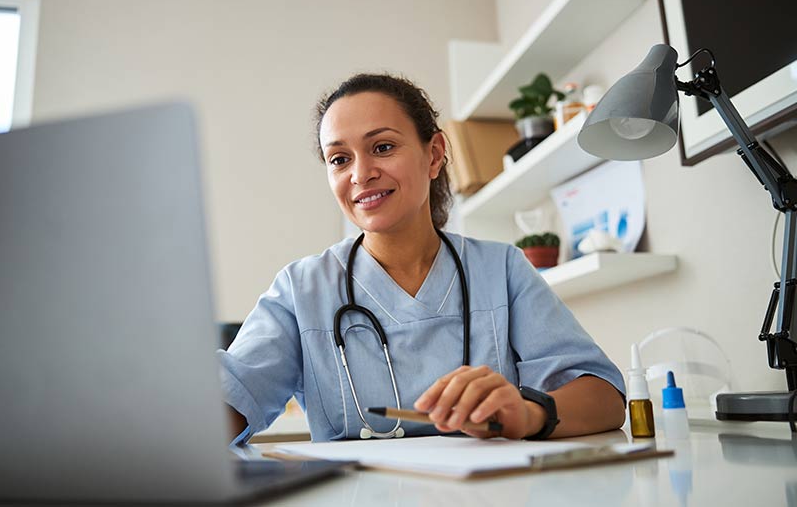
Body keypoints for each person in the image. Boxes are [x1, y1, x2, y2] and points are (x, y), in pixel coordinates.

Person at [218, 73, 626, 443]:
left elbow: (604, 398)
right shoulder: (301, 289)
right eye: (339, 159)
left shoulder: (501, 270)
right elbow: (227, 404)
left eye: (382, 147)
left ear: (433, 155)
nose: (360, 174)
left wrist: (528, 413)